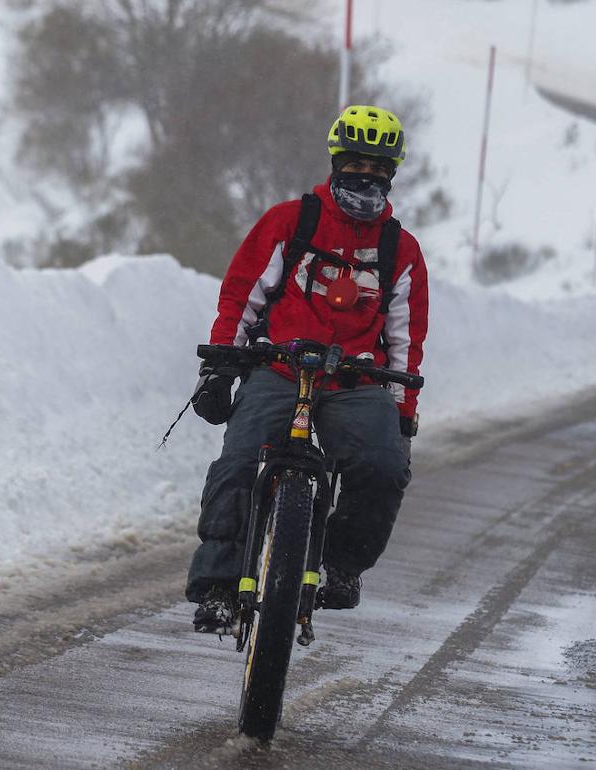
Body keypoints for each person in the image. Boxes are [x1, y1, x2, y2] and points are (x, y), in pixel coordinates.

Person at [186, 105, 429, 634]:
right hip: (278, 367)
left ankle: (340, 567)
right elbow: (240, 298)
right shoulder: (290, 222)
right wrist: (221, 368)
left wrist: (403, 420)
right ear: (335, 161)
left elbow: (406, 341)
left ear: (392, 173)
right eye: (355, 163)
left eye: (378, 166)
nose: (365, 176)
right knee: (238, 461)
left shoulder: (400, 250)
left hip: (355, 382)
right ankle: (221, 587)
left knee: (384, 467)